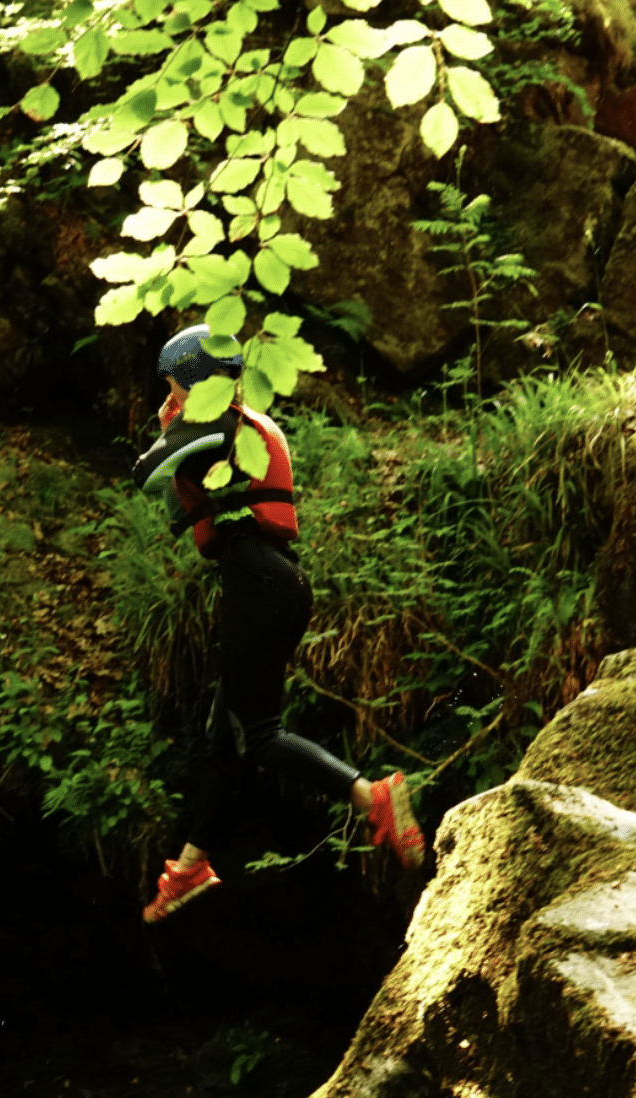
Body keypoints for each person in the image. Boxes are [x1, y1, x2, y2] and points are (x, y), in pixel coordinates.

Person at [130, 324, 424, 923]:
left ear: (203, 384)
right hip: (272, 583)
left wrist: (171, 425)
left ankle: (372, 796)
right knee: (227, 729)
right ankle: (190, 865)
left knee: (256, 733)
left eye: (174, 390)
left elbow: (147, 471)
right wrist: (175, 420)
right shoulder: (233, 429)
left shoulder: (216, 426)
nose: (170, 404)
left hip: (258, 584)